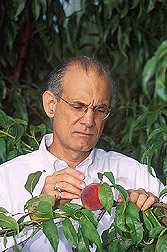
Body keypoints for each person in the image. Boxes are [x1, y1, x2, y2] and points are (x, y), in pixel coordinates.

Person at [0, 56, 166, 252]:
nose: (89, 121)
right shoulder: (7, 179)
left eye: (99, 109)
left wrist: (157, 215)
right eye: (78, 106)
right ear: (51, 105)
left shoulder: (132, 172)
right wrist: (35, 215)